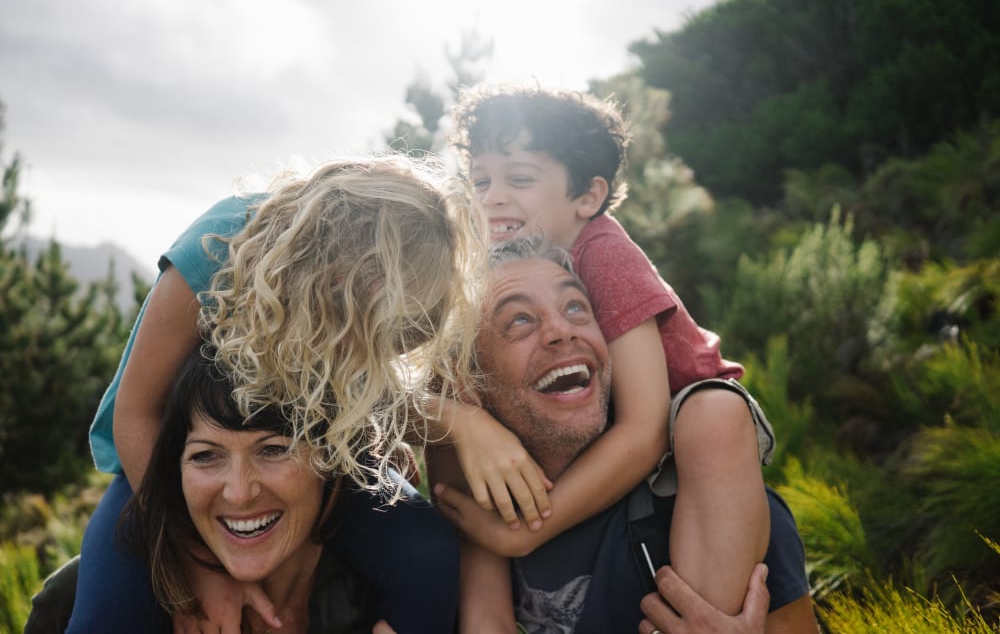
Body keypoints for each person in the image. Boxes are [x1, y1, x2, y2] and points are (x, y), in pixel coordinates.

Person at [67, 156, 484, 634]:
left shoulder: (391, 298)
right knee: (104, 618)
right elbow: (137, 416)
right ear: (334, 258)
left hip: (308, 460)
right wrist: (200, 568)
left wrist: (381, 443)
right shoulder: (218, 246)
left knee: (426, 552)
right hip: (168, 469)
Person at [439, 85, 773, 622]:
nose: (491, 198)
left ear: (587, 197)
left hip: (692, 423)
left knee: (711, 418)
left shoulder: (604, 254)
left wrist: (528, 533)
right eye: (481, 181)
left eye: (519, 179)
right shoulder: (493, 272)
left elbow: (645, 429)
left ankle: (701, 617)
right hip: (631, 432)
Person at [434, 238, 818, 632]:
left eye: (575, 308)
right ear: (470, 380)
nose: (561, 330)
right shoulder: (479, 522)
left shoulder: (715, 504)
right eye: (519, 320)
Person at [124, 344, 378, 633]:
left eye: (272, 450)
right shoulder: (91, 605)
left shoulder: (402, 607)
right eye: (205, 455)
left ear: (331, 457)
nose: (239, 493)